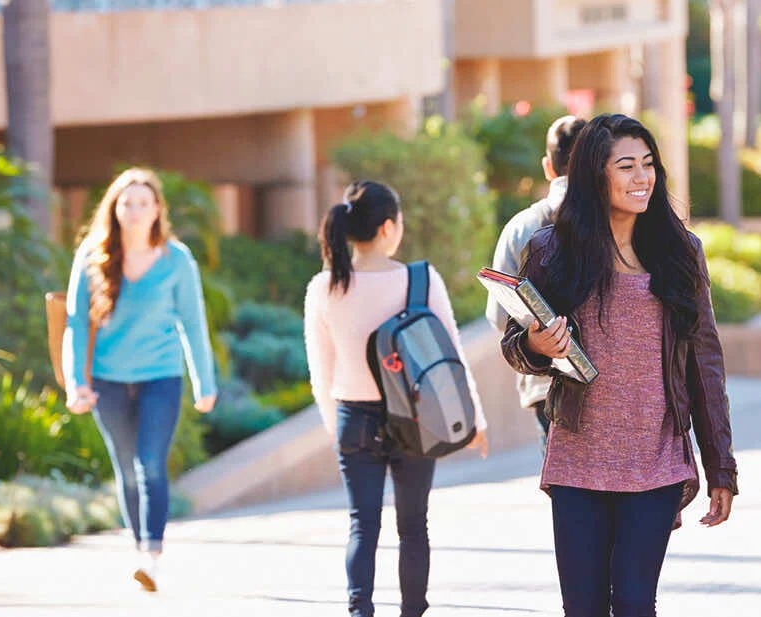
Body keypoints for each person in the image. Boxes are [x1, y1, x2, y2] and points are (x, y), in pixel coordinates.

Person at [499, 113, 736, 616]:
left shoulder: (680, 251)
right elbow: (515, 342)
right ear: (593, 174)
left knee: (633, 603)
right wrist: (539, 347)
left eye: (648, 164)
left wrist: (721, 466)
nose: (642, 177)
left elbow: (704, 362)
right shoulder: (553, 250)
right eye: (626, 166)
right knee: (582, 608)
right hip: (579, 458)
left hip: (655, 458)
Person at [303, 181, 489, 617]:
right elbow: (452, 360)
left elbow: (321, 370)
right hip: (417, 417)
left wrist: (337, 426)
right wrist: (474, 420)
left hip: (354, 418)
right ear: (389, 227)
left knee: (362, 526)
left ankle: (359, 611)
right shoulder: (420, 280)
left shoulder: (324, 287)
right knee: (413, 529)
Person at [63, 167, 218, 592]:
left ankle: (152, 556)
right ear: (113, 209)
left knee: (150, 464)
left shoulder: (176, 260)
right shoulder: (92, 256)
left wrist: (205, 382)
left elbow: (193, 323)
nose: (134, 210)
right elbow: (75, 323)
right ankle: (139, 549)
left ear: (156, 211)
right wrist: (75, 382)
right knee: (127, 471)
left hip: (160, 377)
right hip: (107, 381)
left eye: (143, 203)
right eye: (126, 203)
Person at [486, 115, 588, 452]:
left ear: (548, 166)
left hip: (543, 386)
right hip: (606, 386)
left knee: (565, 486)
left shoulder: (521, 227)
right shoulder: (616, 219)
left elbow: (500, 317)